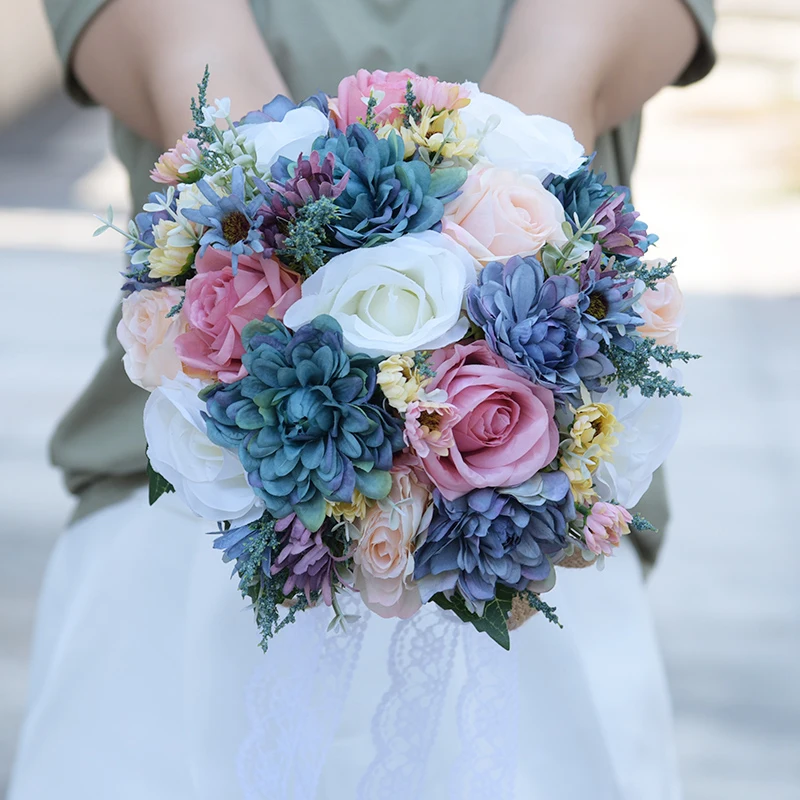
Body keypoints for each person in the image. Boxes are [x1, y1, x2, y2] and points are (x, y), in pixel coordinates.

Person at [9, 1, 715, 798]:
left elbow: (548, 107)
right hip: (194, 522)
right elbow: (213, 113)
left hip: (518, 541)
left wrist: (445, 409)